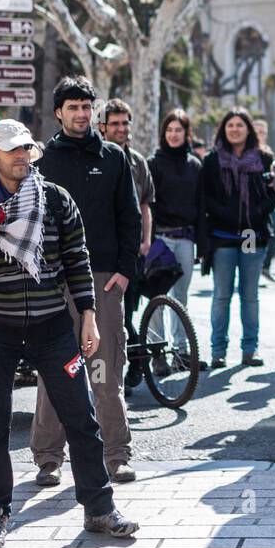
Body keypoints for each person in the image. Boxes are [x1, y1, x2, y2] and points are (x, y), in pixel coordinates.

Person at [0, 119, 140, 548]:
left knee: (81, 418)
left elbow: (76, 257)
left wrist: (87, 314)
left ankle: (100, 509)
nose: (21, 156)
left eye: (26, 148)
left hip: (52, 326)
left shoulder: (54, 198)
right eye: (12, 149)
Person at [32, 76, 139, 485]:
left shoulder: (113, 156)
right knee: (54, 370)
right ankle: (47, 458)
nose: (81, 114)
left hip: (104, 281)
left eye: (86, 107)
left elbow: (129, 217)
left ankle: (117, 454)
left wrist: (125, 272)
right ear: (58, 112)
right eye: (72, 107)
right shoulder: (41, 159)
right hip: (53, 283)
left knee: (104, 370)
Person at [200, 107, 275, 367]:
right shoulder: (213, 160)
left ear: (248, 129)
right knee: (222, 295)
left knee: (249, 296)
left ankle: (250, 349)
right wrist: (224, 213)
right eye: (230, 125)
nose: (235, 129)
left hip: (252, 235)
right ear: (223, 130)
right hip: (223, 236)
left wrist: (258, 211)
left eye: (240, 125)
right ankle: (218, 350)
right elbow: (204, 197)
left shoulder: (264, 158)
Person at [97, 98, 155, 390]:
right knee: (111, 315)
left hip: (131, 251)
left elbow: (144, 206)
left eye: (124, 123)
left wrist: (145, 241)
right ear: (103, 127)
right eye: (115, 124)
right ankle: (122, 368)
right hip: (104, 252)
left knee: (128, 311)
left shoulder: (138, 162)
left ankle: (136, 362)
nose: (121, 129)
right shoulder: (98, 158)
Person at [149, 109, 203, 310]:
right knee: (157, 296)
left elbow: (201, 204)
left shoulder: (195, 165)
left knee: (181, 297)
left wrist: (203, 246)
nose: (173, 134)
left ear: (186, 133)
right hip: (159, 239)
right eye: (169, 130)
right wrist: (148, 240)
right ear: (163, 133)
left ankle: (180, 342)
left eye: (178, 130)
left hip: (186, 239)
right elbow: (149, 205)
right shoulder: (153, 163)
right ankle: (156, 342)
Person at [253, 119, 275, 282]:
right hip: (252, 207)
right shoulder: (247, 153)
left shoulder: (268, 154)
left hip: (268, 204)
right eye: (256, 131)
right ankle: (252, 270)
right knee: (250, 239)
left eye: (262, 132)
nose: (259, 135)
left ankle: (264, 266)